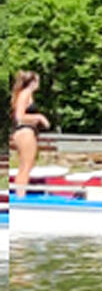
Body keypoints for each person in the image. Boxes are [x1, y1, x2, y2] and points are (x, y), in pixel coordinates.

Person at [12, 70, 51, 198]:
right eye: (38, 81)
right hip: (25, 131)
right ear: (33, 82)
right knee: (26, 165)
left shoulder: (26, 94)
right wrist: (39, 117)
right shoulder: (25, 94)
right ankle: (20, 195)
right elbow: (19, 116)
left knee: (27, 164)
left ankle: (20, 193)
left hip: (27, 131)